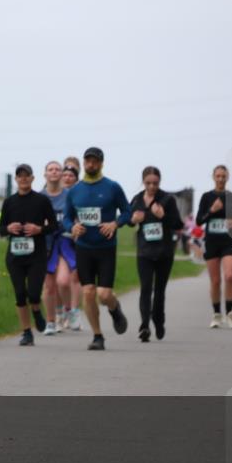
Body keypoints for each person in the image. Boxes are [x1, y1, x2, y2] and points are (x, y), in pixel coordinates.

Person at [63, 147, 131, 350]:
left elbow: (127, 212)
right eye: (88, 161)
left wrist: (115, 224)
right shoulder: (75, 190)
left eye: (95, 161)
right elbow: (67, 217)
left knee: (103, 294)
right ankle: (97, 336)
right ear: (84, 163)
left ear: (101, 163)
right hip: (83, 247)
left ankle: (115, 308)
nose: (91, 164)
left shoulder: (112, 187)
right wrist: (71, 227)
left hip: (106, 248)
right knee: (89, 291)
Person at [0, 164, 58, 346]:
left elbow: (54, 226)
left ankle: (37, 310)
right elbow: (0, 229)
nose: (23, 179)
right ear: (16, 179)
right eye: (20, 176)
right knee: (19, 294)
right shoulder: (9, 202)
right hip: (15, 257)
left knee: (33, 293)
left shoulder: (42, 200)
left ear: (32, 178)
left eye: (26, 176)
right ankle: (26, 332)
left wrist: (39, 229)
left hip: (36, 255)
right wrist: (8, 228)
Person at [130, 166, 183, 341]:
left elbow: (178, 224)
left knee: (159, 290)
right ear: (143, 182)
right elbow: (128, 220)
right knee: (145, 288)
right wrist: (133, 220)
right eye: (148, 183)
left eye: (155, 183)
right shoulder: (137, 200)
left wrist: (163, 216)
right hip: (144, 252)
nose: (152, 186)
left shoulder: (167, 199)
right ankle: (144, 325)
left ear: (160, 182)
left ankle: (158, 321)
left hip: (164, 252)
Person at [196, 165, 232, 329]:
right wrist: (212, 210)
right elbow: (199, 221)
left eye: (223, 176)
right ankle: (217, 314)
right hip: (212, 242)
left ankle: (230, 314)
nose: (220, 179)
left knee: (230, 276)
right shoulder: (206, 197)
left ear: (227, 177)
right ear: (213, 177)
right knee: (215, 281)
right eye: (218, 176)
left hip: (229, 241)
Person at [41, 161, 74, 335]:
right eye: (50, 169)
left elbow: (75, 217)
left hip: (64, 244)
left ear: (61, 174)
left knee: (63, 281)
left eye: (57, 169)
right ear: (45, 174)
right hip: (45, 245)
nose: (54, 172)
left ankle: (69, 311)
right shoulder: (39, 197)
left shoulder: (69, 195)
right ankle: (51, 322)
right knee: (49, 286)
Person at [59, 164, 83, 330]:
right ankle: (65, 309)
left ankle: (74, 312)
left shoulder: (81, 195)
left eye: (71, 176)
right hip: (60, 241)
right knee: (62, 281)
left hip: (78, 241)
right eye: (64, 175)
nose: (67, 178)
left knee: (76, 278)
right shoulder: (55, 194)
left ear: (76, 179)